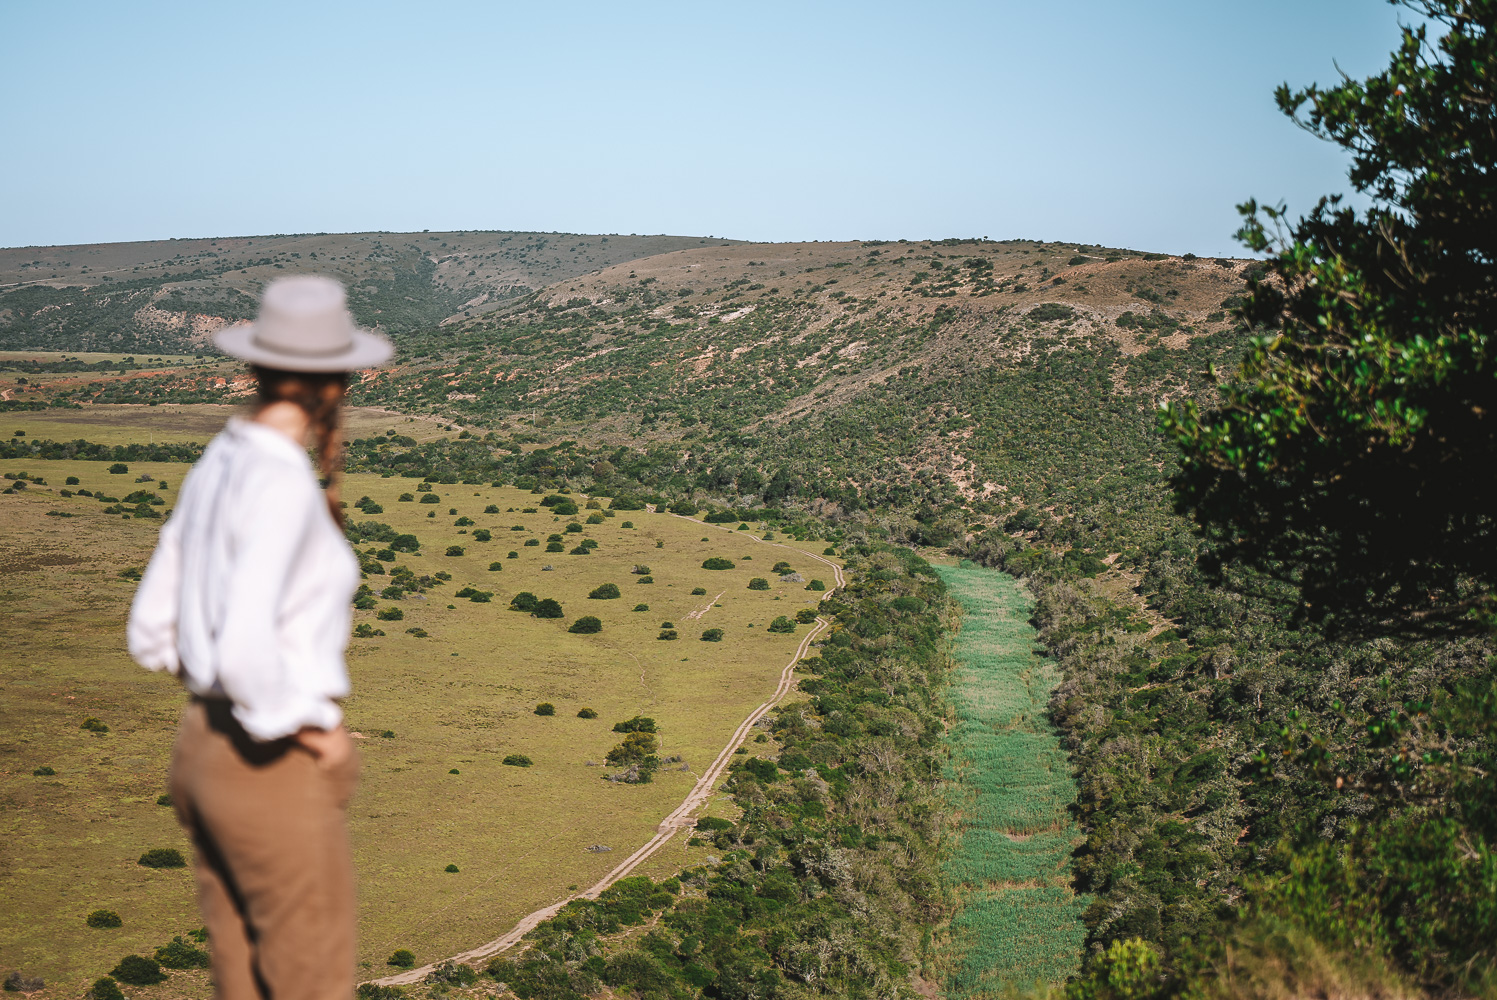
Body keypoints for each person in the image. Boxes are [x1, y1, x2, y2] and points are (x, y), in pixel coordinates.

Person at [128, 275, 392, 1000]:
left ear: (255, 366)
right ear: (335, 380)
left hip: (200, 749)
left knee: (239, 974)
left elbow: (151, 628)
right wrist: (314, 733)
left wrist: (211, 678)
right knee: (309, 980)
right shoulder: (280, 481)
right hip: (266, 761)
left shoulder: (221, 460)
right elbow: (246, 648)